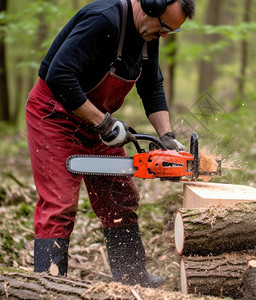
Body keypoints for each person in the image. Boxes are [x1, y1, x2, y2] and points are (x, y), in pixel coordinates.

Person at [25, 0, 196, 288]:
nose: (164, 35)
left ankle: (132, 278)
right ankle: (49, 285)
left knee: (120, 196)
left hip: (96, 120)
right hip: (55, 115)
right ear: (151, 5)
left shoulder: (147, 35)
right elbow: (59, 75)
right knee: (59, 203)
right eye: (164, 27)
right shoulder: (103, 20)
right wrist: (103, 123)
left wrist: (166, 137)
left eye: (171, 31)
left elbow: (152, 85)